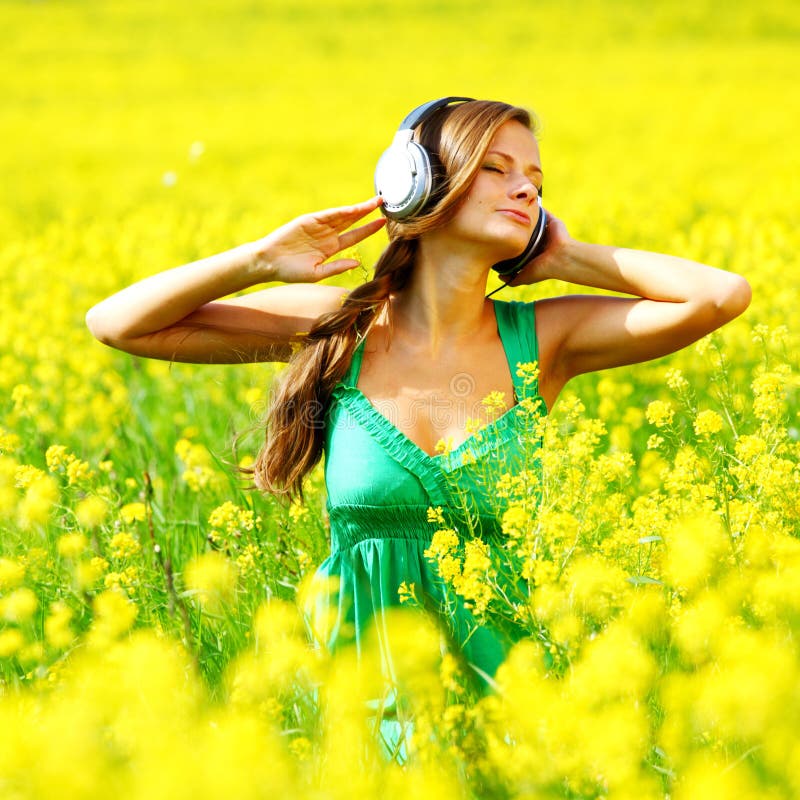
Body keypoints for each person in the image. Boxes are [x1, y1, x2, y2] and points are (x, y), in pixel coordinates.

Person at [86, 97, 751, 761]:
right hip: (362, 740)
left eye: (537, 182)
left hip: (511, 735)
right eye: (496, 168)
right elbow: (119, 324)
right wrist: (259, 259)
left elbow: (721, 296)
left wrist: (564, 256)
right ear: (417, 183)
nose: (526, 188)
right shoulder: (339, 328)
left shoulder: (545, 342)